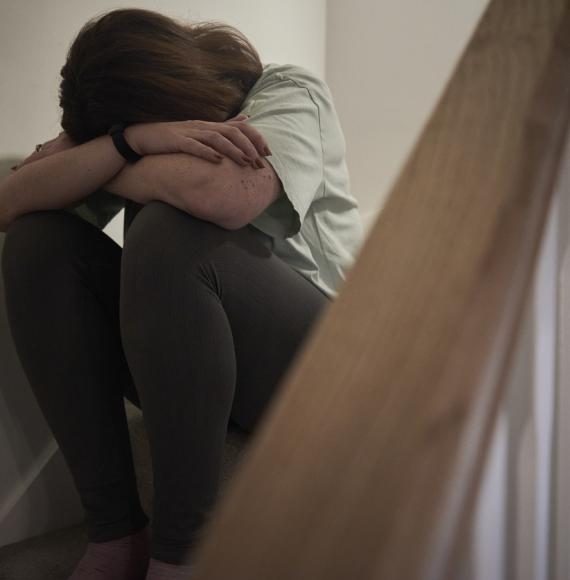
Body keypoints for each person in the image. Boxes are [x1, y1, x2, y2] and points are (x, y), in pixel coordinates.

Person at [0, 7, 364, 580]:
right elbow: (9, 203)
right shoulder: (143, 136)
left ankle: (181, 555)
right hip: (202, 351)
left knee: (171, 231)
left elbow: (229, 195)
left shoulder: (291, 90)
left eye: (138, 132)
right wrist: (131, 143)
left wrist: (102, 160)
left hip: (328, 368)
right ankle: (116, 536)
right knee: (36, 244)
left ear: (176, 85)